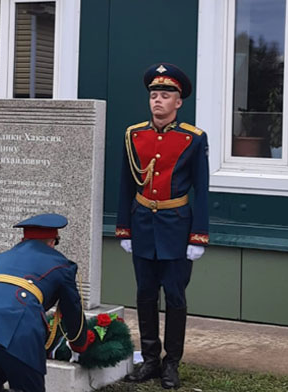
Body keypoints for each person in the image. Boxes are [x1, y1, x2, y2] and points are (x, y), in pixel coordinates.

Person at [116, 63, 209, 389]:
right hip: (143, 225)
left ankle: (172, 363)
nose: (158, 100)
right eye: (154, 95)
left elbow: (202, 188)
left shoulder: (193, 139)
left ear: (178, 102)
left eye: (166, 95)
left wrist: (198, 235)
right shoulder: (133, 135)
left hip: (176, 227)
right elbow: (126, 186)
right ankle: (150, 360)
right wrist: (124, 227)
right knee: (144, 294)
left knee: (175, 297)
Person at [0, 213, 89, 392]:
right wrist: (78, 346)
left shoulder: (2, 257)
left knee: (3, 350)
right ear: (52, 242)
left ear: (23, 239)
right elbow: (72, 310)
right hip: (20, 334)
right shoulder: (63, 266)